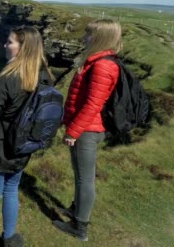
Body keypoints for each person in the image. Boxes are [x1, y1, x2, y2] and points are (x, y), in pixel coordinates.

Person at [0, 26, 54, 247]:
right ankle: (9, 237)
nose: (5, 45)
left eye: (9, 42)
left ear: (22, 47)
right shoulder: (44, 75)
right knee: (11, 189)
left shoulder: (6, 78)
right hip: (24, 145)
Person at [53, 19, 122, 242]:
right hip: (87, 128)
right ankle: (76, 210)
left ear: (101, 38)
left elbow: (93, 104)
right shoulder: (98, 61)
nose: (85, 37)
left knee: (85, 179)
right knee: (80, 174)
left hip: (87, 131)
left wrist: (73, 131)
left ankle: (79, 227)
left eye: (90, 34)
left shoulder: (103, 66)